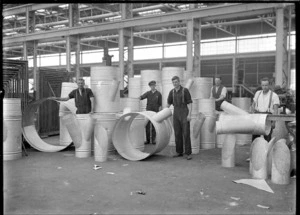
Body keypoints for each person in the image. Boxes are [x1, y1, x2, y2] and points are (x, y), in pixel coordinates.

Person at [167, 76, 193, 160]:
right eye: (173, 82)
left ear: (179, 82)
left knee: (186, 133)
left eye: (176, 82)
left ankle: (188, 153)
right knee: (177, 133)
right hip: (176, 113)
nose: (175, 83)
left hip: (184, 112)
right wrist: (164, 112)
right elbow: (168, 104)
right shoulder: (172, 92)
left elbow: (190, 103)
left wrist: (189, 115)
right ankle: (179, 152)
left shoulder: (185, 91)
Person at [250, 77, 280, 142]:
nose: (264, 87)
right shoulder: (258, 93)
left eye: (266, 85)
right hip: (257, 118)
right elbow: (253, 105)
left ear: (269, 85)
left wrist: (274, 122)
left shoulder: (274, 95)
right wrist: (252, 116)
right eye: (263, 85)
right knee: (255, 139)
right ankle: (256, 151)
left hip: (268, 119)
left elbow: (275, 110)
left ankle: (267, 152)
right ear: (261, 85)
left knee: (267, 139)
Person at [139, 80, 162, 145]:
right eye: (151, 85)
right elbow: (142, 97)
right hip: (148, 111)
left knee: (154, 125)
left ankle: (153, 140)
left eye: (153, 85)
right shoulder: (148, 93)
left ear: (155, 85)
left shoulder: (158, 94)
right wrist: (138, 98)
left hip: (155, 111)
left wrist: (159, 112)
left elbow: (160, 104)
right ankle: (148, 140)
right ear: (150, 86)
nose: (152, 86)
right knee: (147, 126)